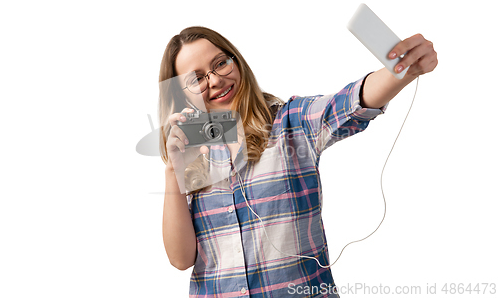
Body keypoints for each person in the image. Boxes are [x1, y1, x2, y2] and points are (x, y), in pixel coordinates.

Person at [159, 26, 437, 297]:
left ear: (236, 62)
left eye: (220, 63)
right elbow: (182, 259)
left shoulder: (291, 122)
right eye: (196, 80)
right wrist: (173, 171)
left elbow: (349, 102)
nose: (215, 80)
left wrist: (402, 71)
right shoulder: (193, 154)